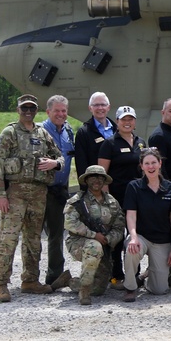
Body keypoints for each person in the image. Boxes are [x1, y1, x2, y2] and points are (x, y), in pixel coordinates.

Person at [0, 94, 71, 302]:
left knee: (33, 240)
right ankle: (0, 284)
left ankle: (30, 280)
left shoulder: (43, 133)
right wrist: (0, 195)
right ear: (18, 110)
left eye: (32, 108)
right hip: (15, 193)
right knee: (8, 239)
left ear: (36, 111)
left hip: (38, 193)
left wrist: (55, 164)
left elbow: (60, 156)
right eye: (24, 108)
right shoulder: (10, 133)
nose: (28, 112)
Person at [122, 148, 171, 301]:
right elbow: (131, 215)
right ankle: (130, 287)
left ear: (160, 163)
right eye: (147, 163)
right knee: (132, 249)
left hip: (162, 240)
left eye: (154, 162)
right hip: (141, 236)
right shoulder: (134, 187)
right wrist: (133, 237)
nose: (151, 167)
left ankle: (146, 276)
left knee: (159, 290)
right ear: (141, 166)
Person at [98, 105, 147, 289]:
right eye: (123, 119)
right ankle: (116, 275)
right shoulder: (109, 144)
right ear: (117, 122)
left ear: (134, 121)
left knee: (136, 236)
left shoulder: (141, 142)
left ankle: (134, 274)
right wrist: (107, 199)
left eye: (130, 119)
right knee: (118, 237)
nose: (127, 122)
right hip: (117, 197)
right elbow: (103, 174)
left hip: (137, 198)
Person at [63, 165, 125, 305]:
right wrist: (93, 235)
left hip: (104, 246)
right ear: (86, 180)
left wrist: (108, 239)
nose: (96, 180)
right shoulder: (78, 200)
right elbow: (69, 222)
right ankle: (84, 291)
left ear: (104, 181)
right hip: (78, 243)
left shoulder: (112, 202)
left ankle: (68, 280)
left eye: (100, 177)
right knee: (94, 246)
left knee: (98, 289)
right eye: (92, 177)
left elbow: (119, 227)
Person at [40, 94, 75, 286]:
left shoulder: (68, 131)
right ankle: (32, 277)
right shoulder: (40, 131)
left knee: (57, 233)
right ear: (48, 112)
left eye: (64, 111)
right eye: (57, 111)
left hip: (61, 189)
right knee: (35, 234)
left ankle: (54, 276)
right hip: (42, 189)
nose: (61, 114)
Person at [74, 91, 115, 178]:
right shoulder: (83, 133)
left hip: (117, 182)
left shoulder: (117, 130)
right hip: (95, 183)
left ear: (108, 107)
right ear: (90, 108)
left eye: (103, 105)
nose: (100, 108)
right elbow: (81, 163)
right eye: (96, 105)